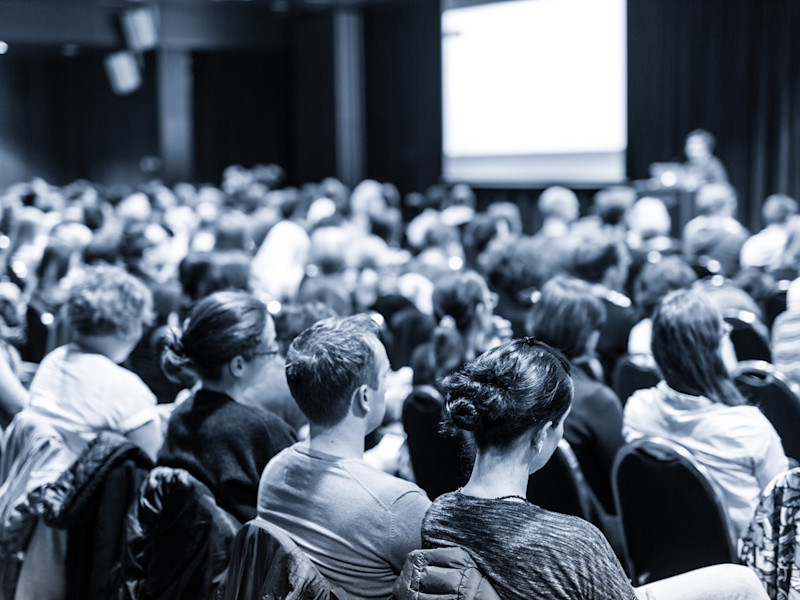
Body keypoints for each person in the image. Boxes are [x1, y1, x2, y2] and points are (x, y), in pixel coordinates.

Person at [402, 337, 769, 600]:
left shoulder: (438, 515)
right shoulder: (573, 543)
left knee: (738, 580)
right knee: (745, 584)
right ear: (544, 434)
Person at [257, 314, 431, 600]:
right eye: (385, 376)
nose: (388, 387)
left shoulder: (274, 471)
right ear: (364, 397)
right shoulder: (398, 505)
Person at [623, 288, 789, 540]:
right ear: (714, 350)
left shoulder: (637, 410)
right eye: (723, 332)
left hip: (669, 557)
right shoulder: (748, 428)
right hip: (744, 571)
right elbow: (783, 516)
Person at [157, 290, 296, 523]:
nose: (276, 357)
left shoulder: (179, 416)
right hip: (247, 557)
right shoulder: (263, 430)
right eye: (271, 347)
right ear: (239, 365)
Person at [526, 275, 624, 516]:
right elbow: (624, 483)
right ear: (587, 333)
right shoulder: (596, 400)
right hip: (586, 529)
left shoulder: (514, 378)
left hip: (521, 515)